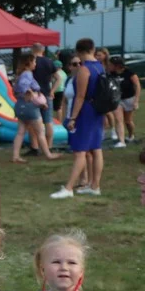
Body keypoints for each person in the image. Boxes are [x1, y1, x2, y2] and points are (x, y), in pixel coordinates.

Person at [51, 38, 107, 199]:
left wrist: (73, 117)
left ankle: (69, 188)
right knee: (96, 149)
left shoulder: (85, 70)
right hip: (97, 110)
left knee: (80, 151)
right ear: (93, 49)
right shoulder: (99, 66)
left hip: (86, 111)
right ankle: (95, 185)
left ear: (79, 52)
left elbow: (80, 96)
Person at [12, 53, 57, 162]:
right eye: (34, 62)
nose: (36, 64)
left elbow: (17, 88)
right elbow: (24, 85)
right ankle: (48, 154)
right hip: (30, 107)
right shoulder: (28, 74)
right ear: (28, 63)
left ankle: (15, 155)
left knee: (20, 132)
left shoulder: (20, 75)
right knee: (40, 132)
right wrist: (30, 93)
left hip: (20, 105)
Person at [31, 43, 58, 154]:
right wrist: (52, 91)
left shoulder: (32, 62)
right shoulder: (49, 62)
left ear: (33, 50)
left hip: (34, 94)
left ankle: (35, 147)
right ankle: (49, 146)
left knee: (33, 121)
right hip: (47, 94)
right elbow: (58, 78)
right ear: (42, 50)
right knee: (48, 121)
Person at [111, 56, 139, 144]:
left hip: (129, 98)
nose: (109, 66)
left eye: (111, 64)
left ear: (117, 65)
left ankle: (131, 135)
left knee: (128, 121)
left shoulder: (129, 73)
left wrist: (136, 101)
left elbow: (137, 86)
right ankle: (121, 141)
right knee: (119, 119)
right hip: (118, 99)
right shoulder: (111, 74)